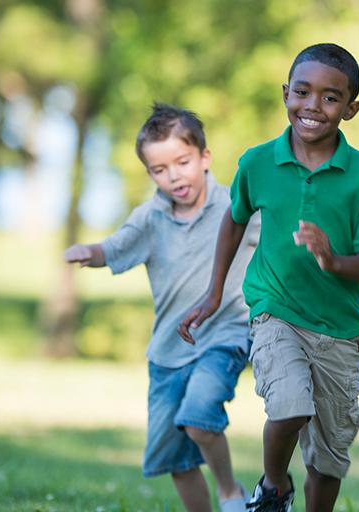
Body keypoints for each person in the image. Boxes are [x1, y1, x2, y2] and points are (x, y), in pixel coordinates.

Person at [177, 43, 359, 512]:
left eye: (331, 97)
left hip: (339, 330)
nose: (313, 106)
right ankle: (274, 486)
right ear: (285, 94)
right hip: (275, 311)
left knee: (329, 461)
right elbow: (234, 219)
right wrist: (214, 294)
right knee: (291, 405)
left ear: (351, 108)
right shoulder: (257, 162)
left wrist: (333, 259)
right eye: (303, 92)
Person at [64, 103, 254, 512]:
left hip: (225, 334)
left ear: (204, 157)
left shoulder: (235, 206)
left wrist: (346, 288)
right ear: (149, 173)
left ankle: (231, 492)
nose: (173, 176)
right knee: (173, 457)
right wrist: (88, 251)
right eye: (159, 169)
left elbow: (289, 248)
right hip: (168, 352)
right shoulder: (150, 217)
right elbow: (115, 248)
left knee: (199, 417)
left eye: (182, 162)